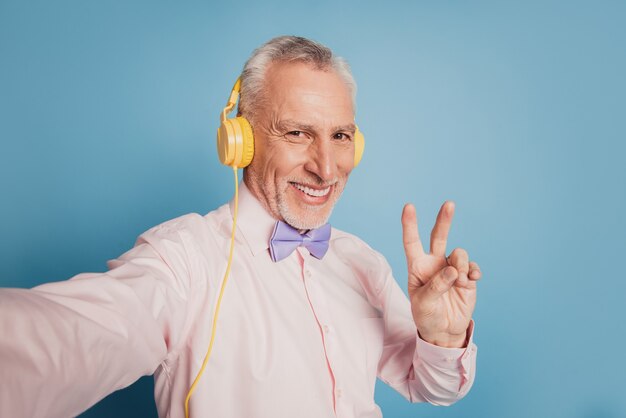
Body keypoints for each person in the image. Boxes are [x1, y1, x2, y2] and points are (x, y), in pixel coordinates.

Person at [0, 36, 482, 418]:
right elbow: (70, 338)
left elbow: (432, 387)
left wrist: (440, 336)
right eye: (297, 133)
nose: (328, 169)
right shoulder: (185, 260)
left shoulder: (362, 262)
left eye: (340, 137)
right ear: (241, 141)